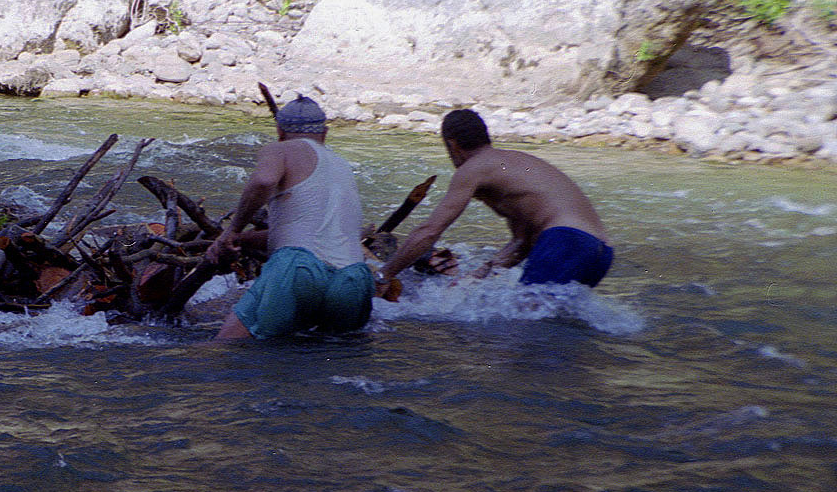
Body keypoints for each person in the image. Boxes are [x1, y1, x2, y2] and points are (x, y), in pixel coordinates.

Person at [378, 108, 612, 290]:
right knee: (551, 329)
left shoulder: (473, 168)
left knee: (524, 335)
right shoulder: (514, 165)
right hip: (600, 252)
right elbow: (521, 243)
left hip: (565, 241)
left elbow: (430, 231)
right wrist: (475, 278)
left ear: (452, 144)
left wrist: (384, 275)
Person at [206, 96, 375, 340]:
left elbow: (264, 181)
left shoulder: (279, 149)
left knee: (224, 348)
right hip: (353, 279)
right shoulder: (343, 165)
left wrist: (231, 230)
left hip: (299, 270)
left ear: (279, 131)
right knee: (329, 365)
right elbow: (309, 232)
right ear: (324, 134)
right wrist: (242, 240)